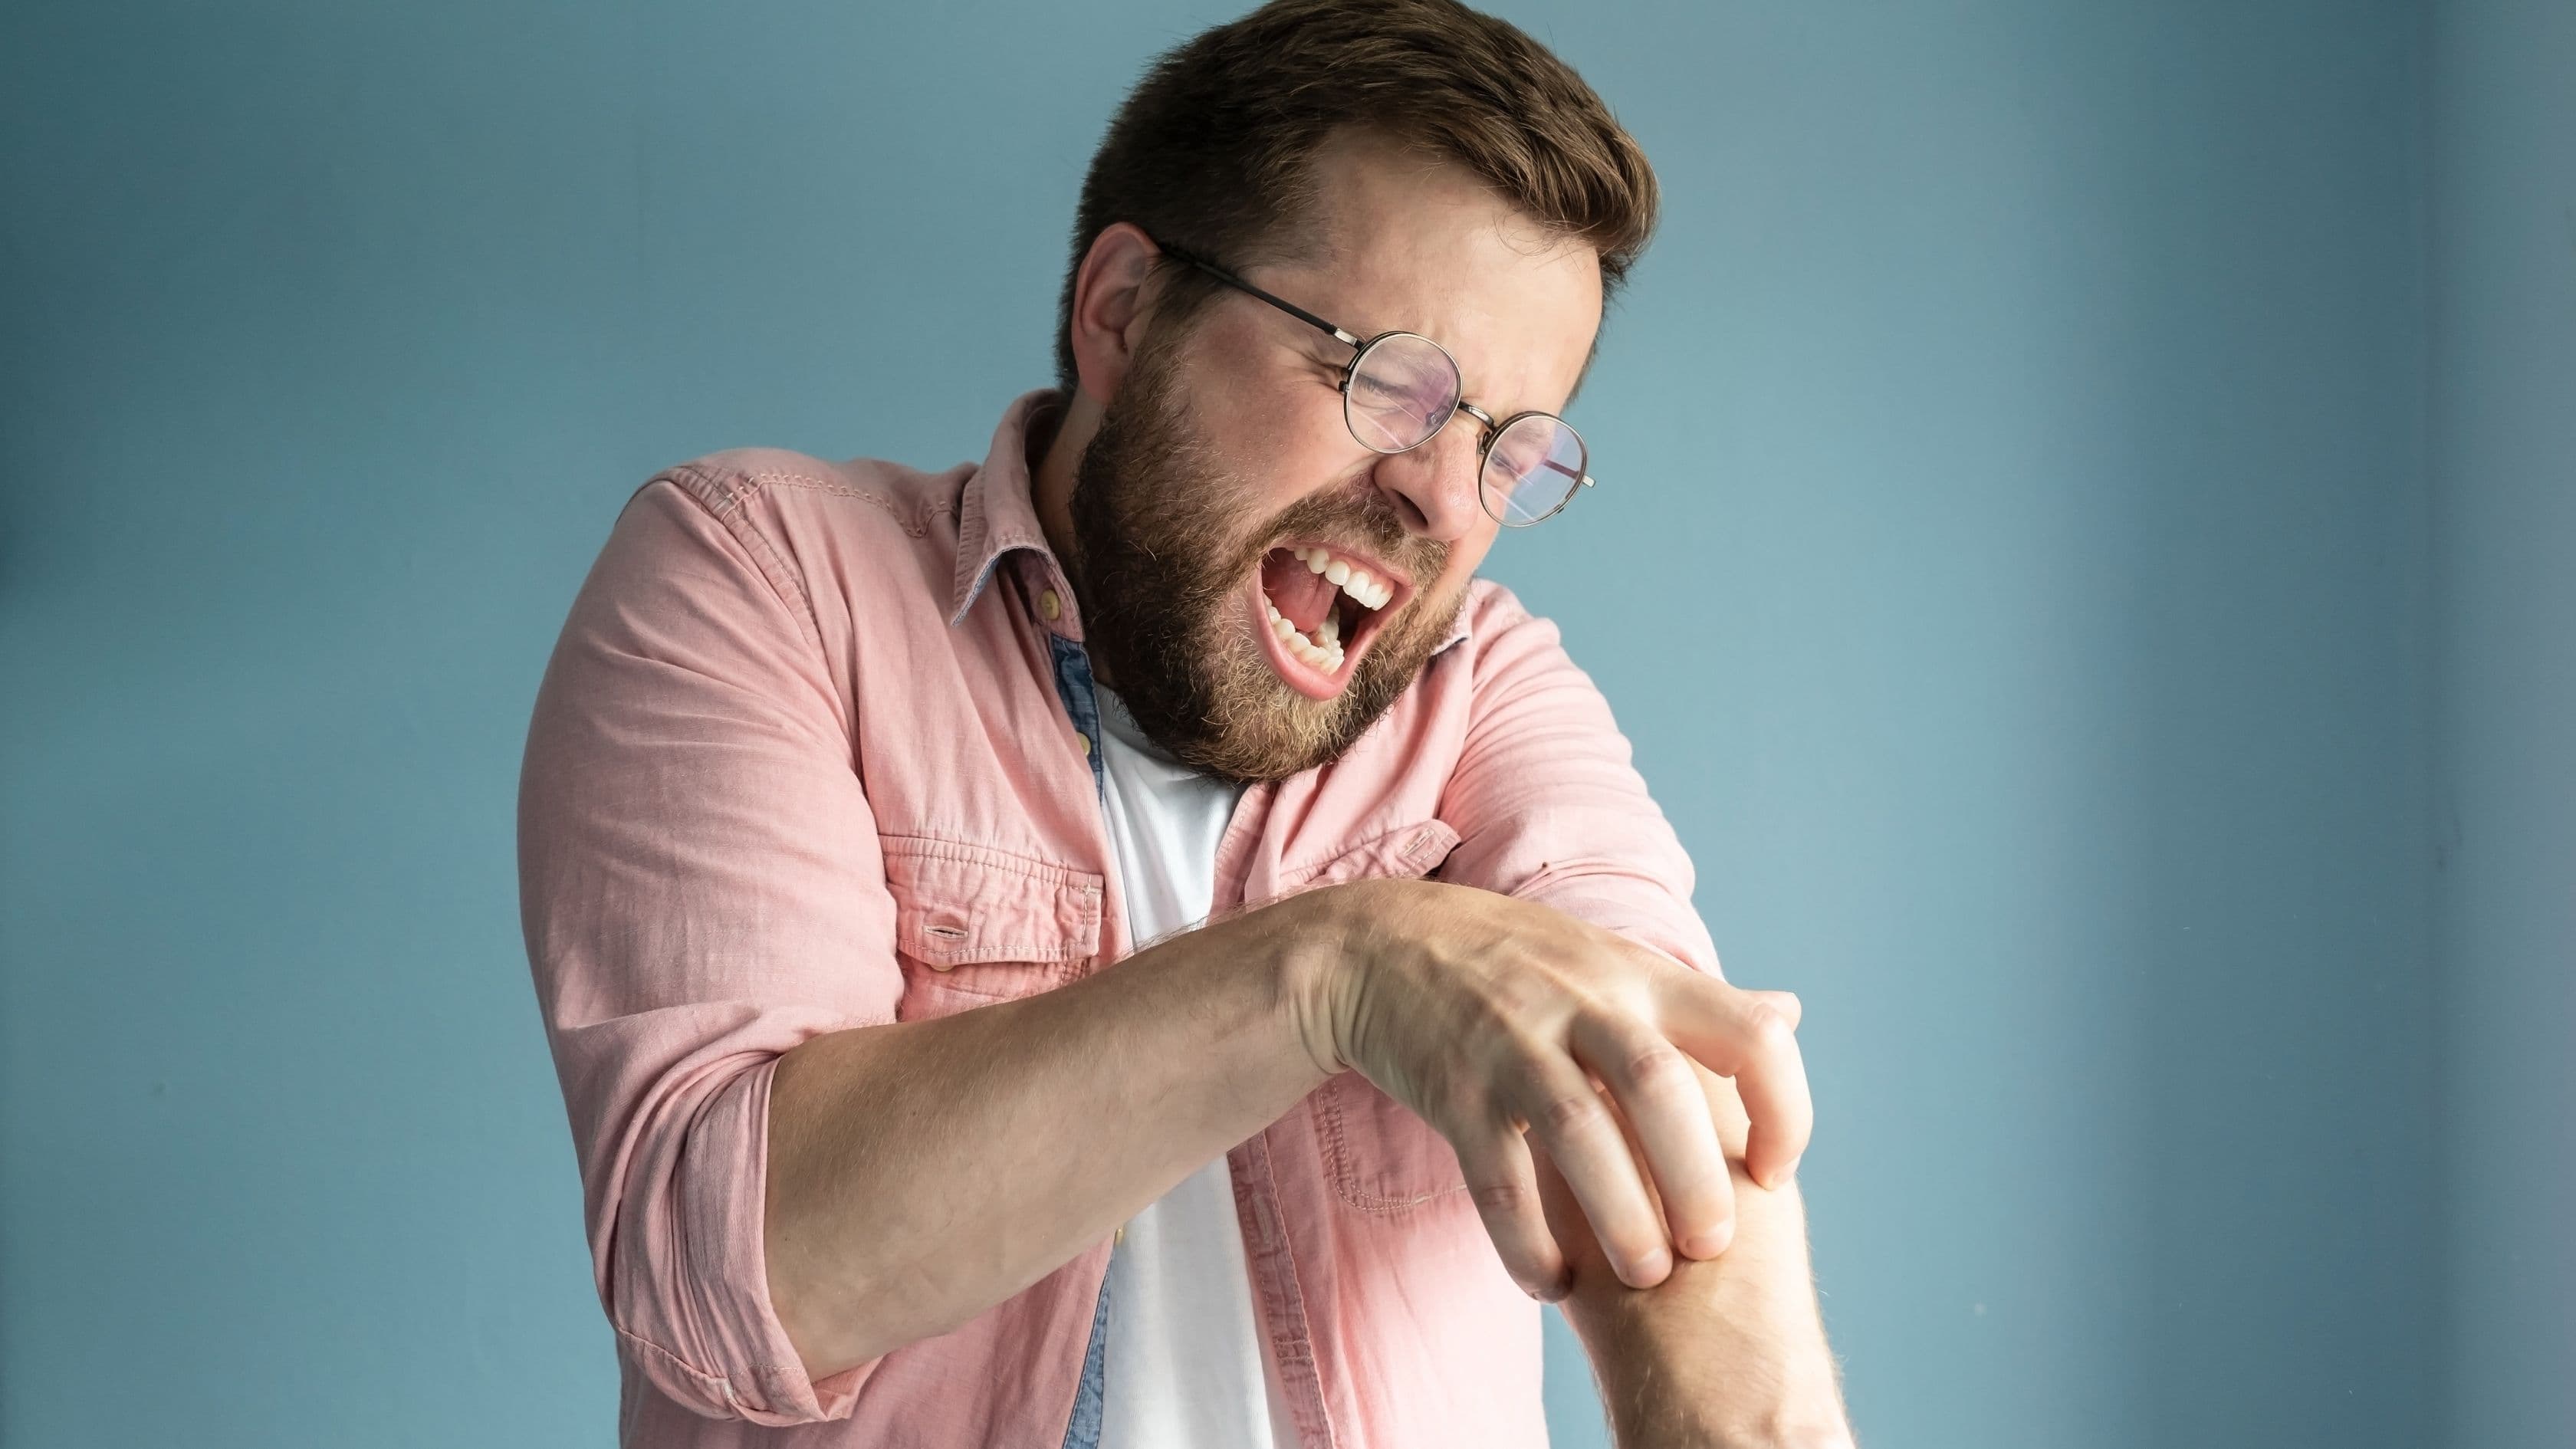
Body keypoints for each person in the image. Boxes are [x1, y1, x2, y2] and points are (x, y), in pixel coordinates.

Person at [518, 2, 1855, 1444]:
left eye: (1508, 450)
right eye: (1396, 384)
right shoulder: (765, 574)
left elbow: (1670, 1132)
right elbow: (732, 1270)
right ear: (1123, 312)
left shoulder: (1485, 691)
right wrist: (1340, 966)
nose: (1450, 504)